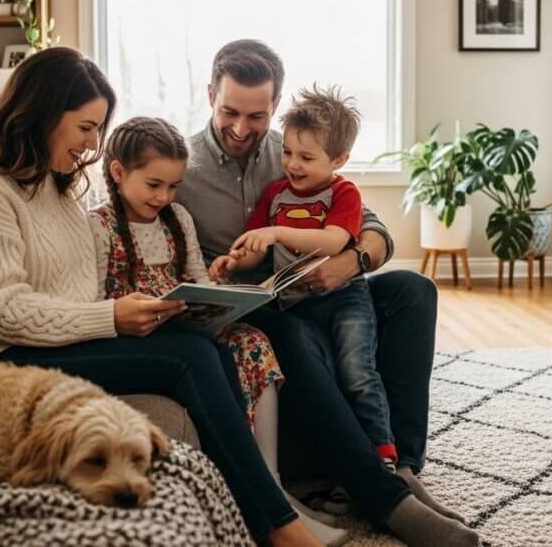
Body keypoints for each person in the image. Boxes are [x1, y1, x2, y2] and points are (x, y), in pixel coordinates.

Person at [0, 46, 322, 547]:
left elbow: (81, 294)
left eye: (98, 129)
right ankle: (277, 527)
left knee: (211, 346)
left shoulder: (57, 190)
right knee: (190, 358)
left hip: (51, 346)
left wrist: (155, 313)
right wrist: (113, 317)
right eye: (86, 128)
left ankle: (254, 502)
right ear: (44, 112)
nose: (93, 144)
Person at [177, 39, 478, 547]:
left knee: (412, 289)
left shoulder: (297, 149)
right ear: (209, 94)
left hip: (324, 291)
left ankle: (402, 464)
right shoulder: (182, 169)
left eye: (256, 115)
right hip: (259, 312)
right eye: (230, 111)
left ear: (274, 105)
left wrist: (348, 264)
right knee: (288, 327)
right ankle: (384, 497)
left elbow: (374, 230)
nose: (241, 128)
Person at [89, 116, 346, 544]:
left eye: (172, 187)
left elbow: (197, 278)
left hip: (185, 322)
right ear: (118, 172)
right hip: (138, 332)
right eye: (154, 185)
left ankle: (271, 479)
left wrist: (218, 302)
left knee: (254, 341)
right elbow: (96, 298)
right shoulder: (98, 226)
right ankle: (258, 498)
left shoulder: (177, 218)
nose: (164, 197)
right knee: (207, 355)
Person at [213, 85, 399, 473]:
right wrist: (232, 264)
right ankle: (341, 460)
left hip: (345, 299)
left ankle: (384, 453)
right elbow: (255, 247)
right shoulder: (276, 195)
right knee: (323, 374)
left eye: (306, 157)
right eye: (288, 153)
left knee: (357, 369)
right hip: (296, 304)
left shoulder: (342, 193)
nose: (293, 164)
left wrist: (278, 233)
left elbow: (335, 242)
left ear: (339, 159)